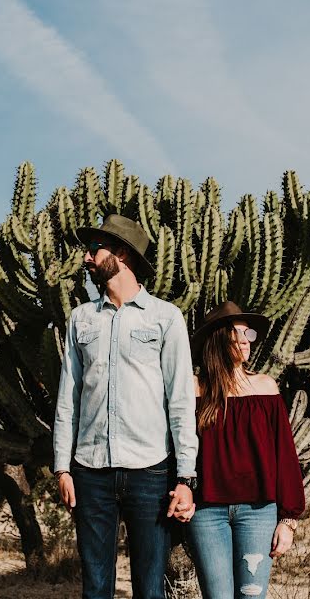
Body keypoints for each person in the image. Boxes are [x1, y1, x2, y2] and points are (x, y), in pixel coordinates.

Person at [53, 214, 199, 599]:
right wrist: (62, 467)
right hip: (90, 470)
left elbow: (181, 401)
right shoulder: (81, 319)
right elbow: (68, 397)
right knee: (95, 587)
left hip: (150, 471)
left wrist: (185, 478)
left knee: (150, 590)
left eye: (94, 249)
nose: (86, 257)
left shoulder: (166, 317)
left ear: (121, 254)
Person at [185, 301, 305, 599]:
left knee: (252, 596)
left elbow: (285, 457)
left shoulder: (266, 388)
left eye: (247, 333)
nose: (244, 340)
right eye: (234, 333)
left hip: (258, 513)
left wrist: (289, 520)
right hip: (206, 512)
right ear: (216, 341)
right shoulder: (193, 389)